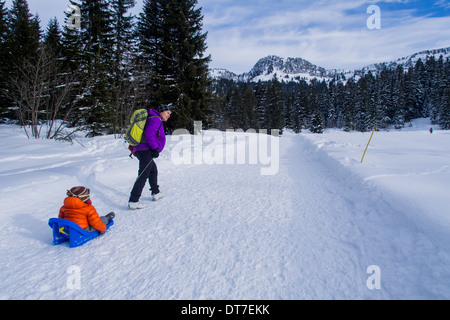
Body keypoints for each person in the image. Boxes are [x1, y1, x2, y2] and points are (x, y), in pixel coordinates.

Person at [128, 104, 171, 209]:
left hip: (141, 149)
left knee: (153, 170)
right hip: (145, 149)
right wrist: (154, 148)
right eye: (167, 112)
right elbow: (149, 135)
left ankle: (155, 192)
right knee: (143, 174)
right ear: (161, 112)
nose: (169, 115)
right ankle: (133, 201)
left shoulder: (153, 118)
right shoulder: (156, 119)